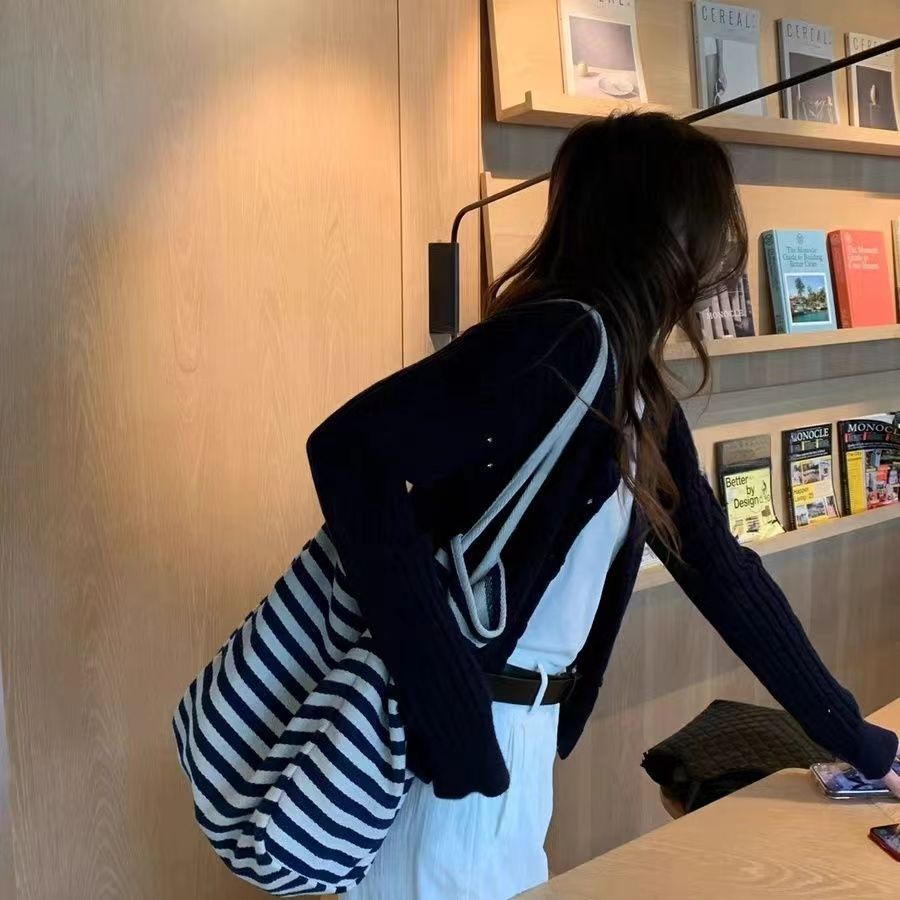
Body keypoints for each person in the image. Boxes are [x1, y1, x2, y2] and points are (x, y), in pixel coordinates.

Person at [193, 112, 900, 899]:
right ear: (660, 236)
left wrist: (858, 740)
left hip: (512, 742)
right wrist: (449, 705)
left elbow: (720, 572)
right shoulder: (563, 343)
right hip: (458, 751)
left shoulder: (631, 387)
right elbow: (349, 450)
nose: (715, 258)